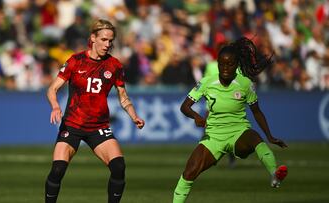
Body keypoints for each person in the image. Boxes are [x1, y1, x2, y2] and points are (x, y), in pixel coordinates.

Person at [172, 37, 288, 203]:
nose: (225, 68)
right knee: (189, 172)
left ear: (237, 64)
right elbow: (185, 106)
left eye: (230, 64)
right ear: (217, 63)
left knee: (255, 138)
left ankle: (274, 175)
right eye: (222, 64)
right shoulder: (206, 83)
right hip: (213, 137)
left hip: (238, 132)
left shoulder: (245, 84)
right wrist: (196, 117)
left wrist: (269, 136)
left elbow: (256, 111)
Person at [44, 19, 145, 203]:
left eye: (110, 41)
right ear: (93, 38)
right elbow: (52, 89)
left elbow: (124, 97)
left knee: (119, 167)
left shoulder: (114, 65)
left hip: (98, 127)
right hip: (72, 125)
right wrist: (56, 106)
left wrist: (134, 116)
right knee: (57, 170)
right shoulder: (76, 61)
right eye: (104, 39)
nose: (108, 44)